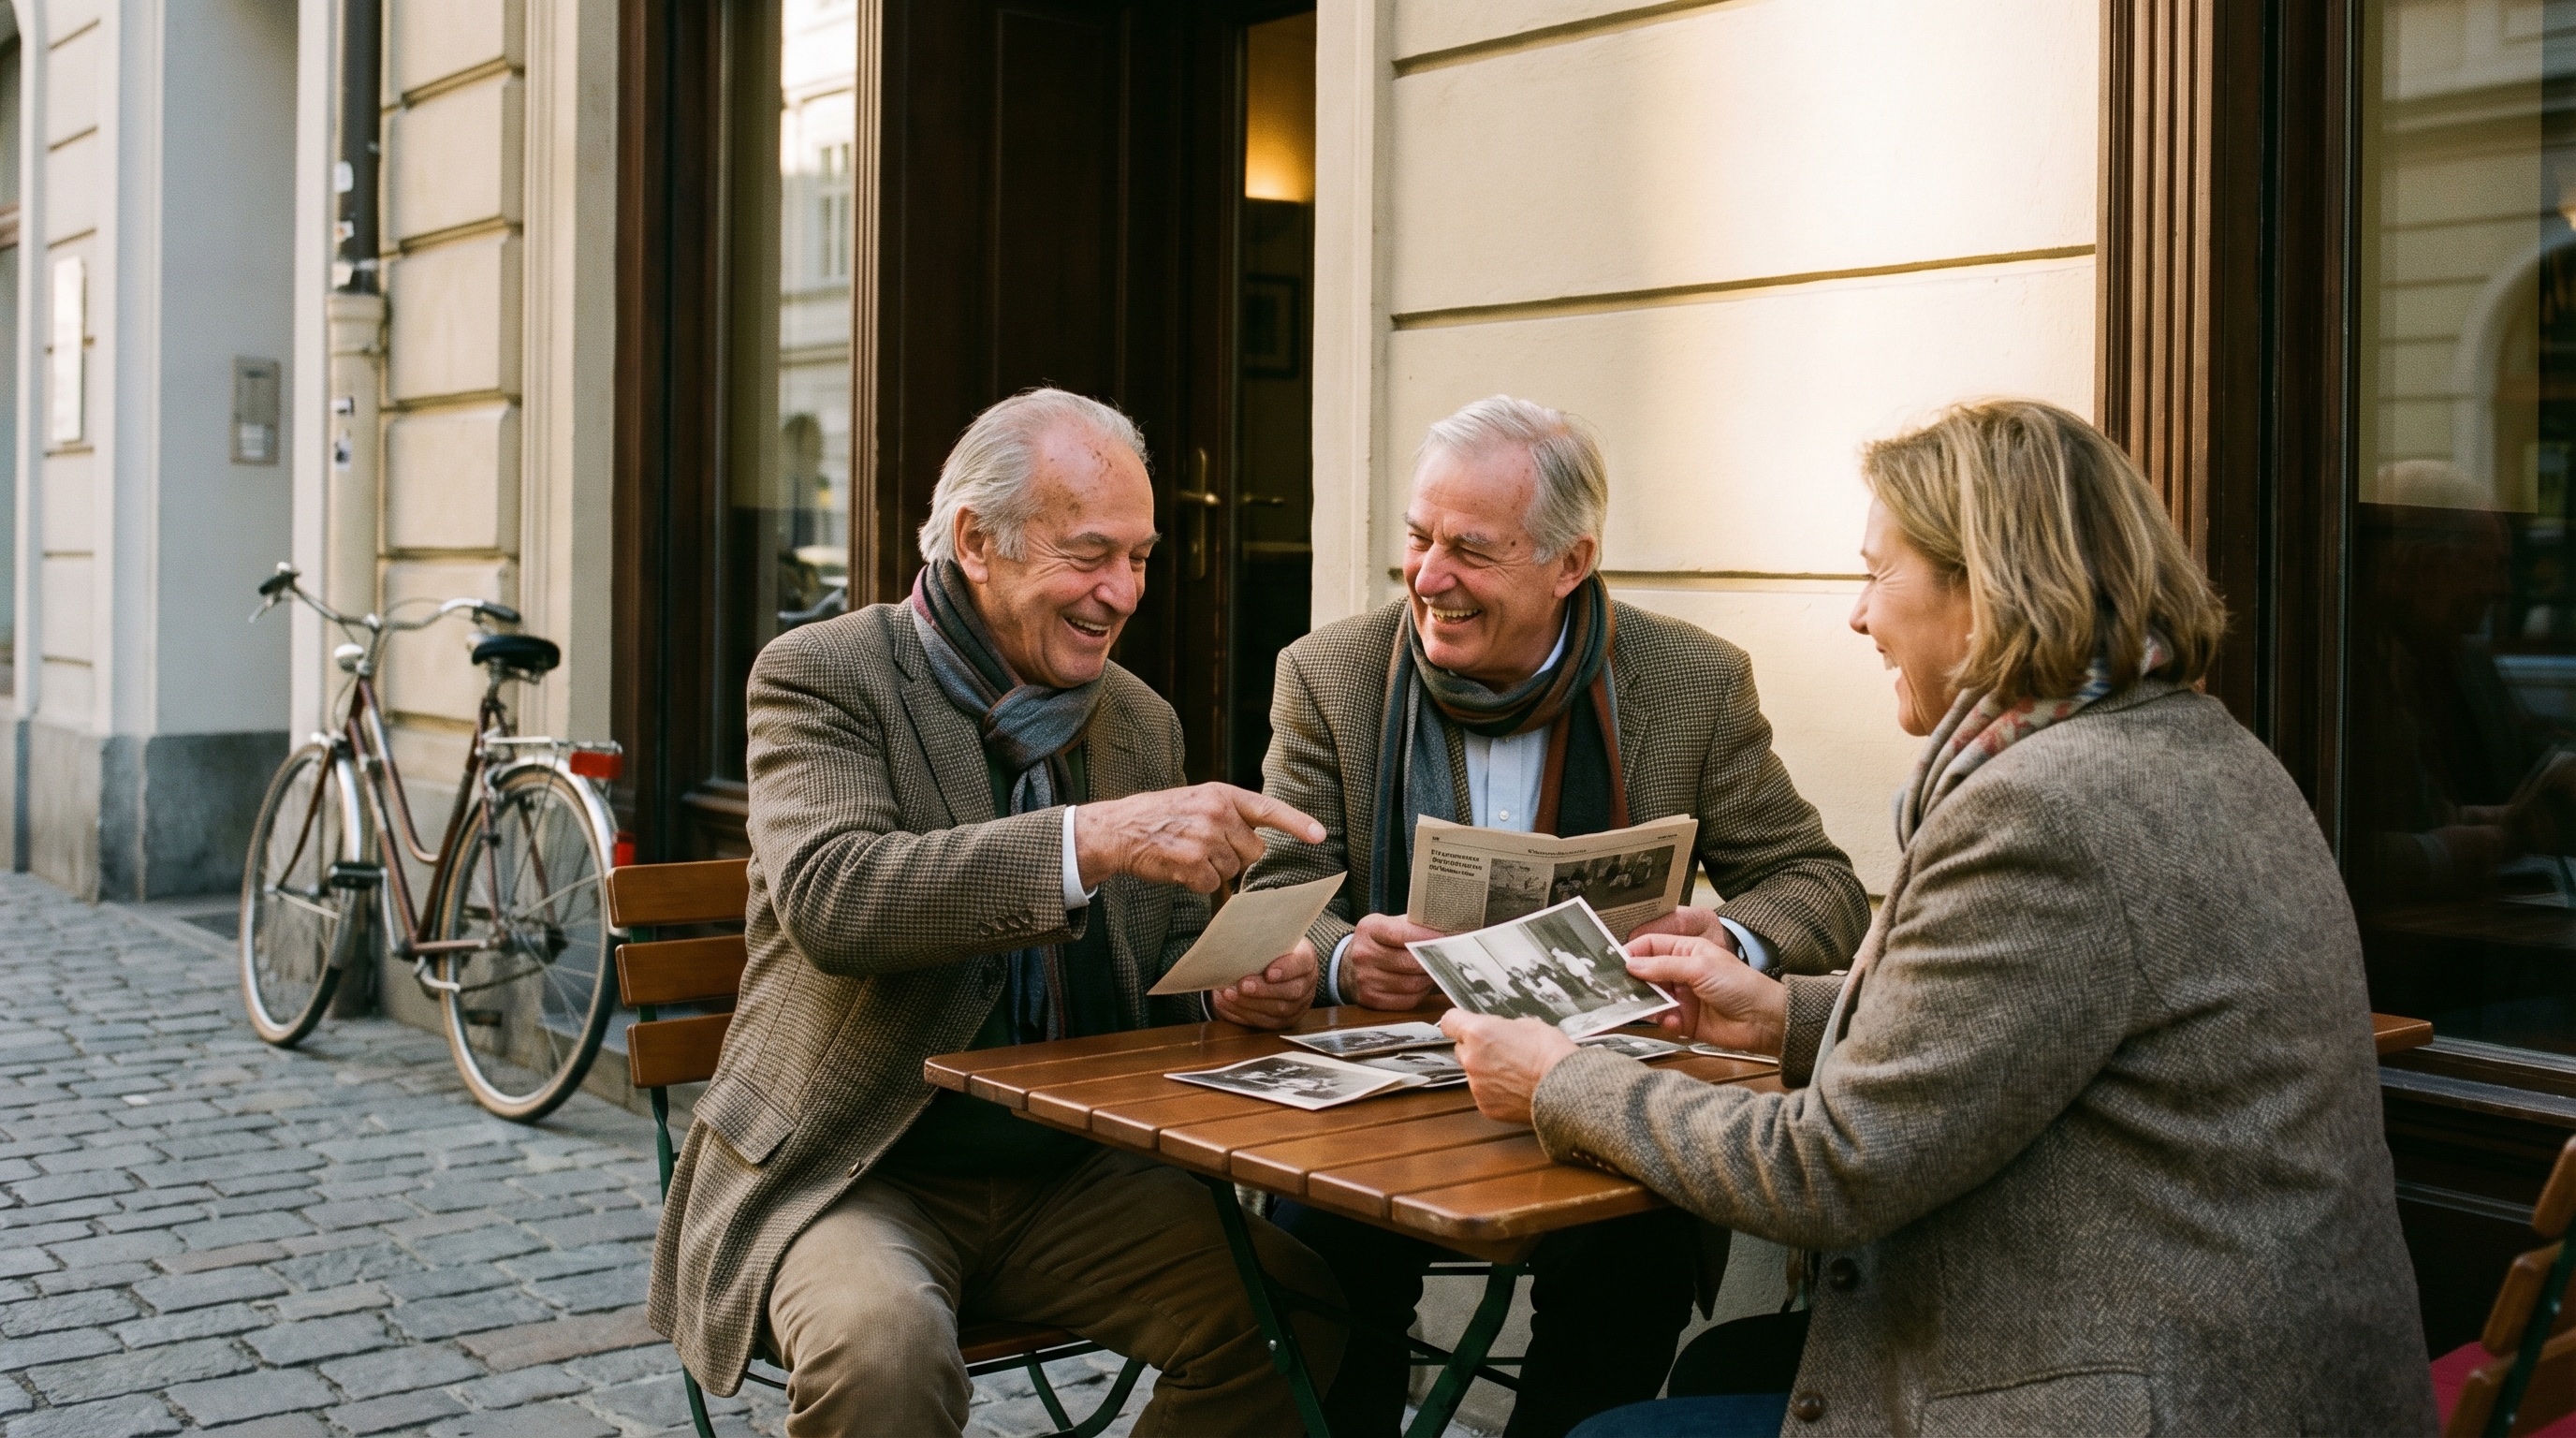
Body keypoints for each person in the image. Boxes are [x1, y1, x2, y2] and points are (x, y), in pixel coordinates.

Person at [1442, 399, 2439, 1436]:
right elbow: (2036, 1026)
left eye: (1877, 573)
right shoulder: (2200, 746)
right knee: (1719, 1369)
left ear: (1983, 590)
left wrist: (1563, 1081)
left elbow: (1829, 1171)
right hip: (2259, 1367)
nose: (1859, 615)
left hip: (2161, 1392)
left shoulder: (2039, 808)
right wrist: (1780, 1013)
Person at [647, 388, 1343, 1438]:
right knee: (883, 1352)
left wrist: (1242, 983)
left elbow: (1159, 970)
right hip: (856, 1171)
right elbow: (836, 900)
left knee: (1305, 1314)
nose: (1123, 592)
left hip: (1067, 1176)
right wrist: (1093, 838)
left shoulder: (1136, 719)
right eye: (1091, 554)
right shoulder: (826, 675)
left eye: (1141, 558)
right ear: (977, 541)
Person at [1240, 394, 1870, 1438]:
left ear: (1569, 563)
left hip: (1604, 1082)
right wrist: (1347, 955)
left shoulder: (1689, 682)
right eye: (1417, 538)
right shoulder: (1332, 675)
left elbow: (1818, 884)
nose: (1429, 577)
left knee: (1641, 1249)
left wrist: (1732, 939)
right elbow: (1273, 897)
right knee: (1321, 1251)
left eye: (1470, 551)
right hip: (1383, 1098)